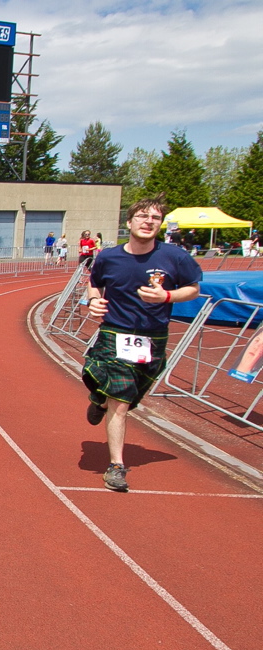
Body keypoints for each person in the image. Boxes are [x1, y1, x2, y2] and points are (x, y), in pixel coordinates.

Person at [82, 194, 202, 492]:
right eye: (143, 216)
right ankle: (116, 466)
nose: (149, 222)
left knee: (131, 397)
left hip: (154, 338)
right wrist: (94, 300)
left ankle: (99, 400)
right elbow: (94, 283)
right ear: (129, 221)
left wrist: (168, 296)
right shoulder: (109, 256)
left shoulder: (175, 256)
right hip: (115, 334)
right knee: (120, 403)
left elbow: (194, 289)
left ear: (160, 225)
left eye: (155, 218)